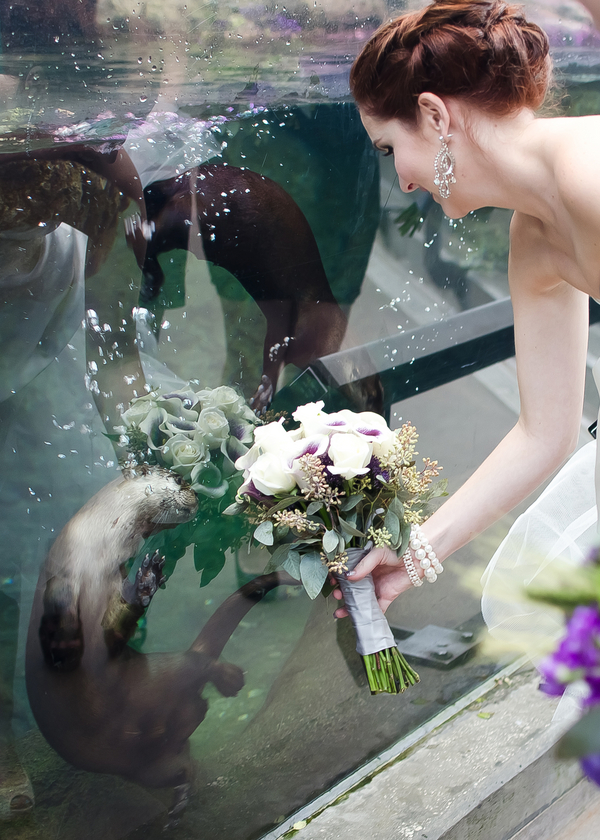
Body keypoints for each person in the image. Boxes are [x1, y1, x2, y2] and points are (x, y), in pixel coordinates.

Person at [332, 0, 600, 645]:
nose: (401, 179)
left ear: (433, 114)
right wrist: (418, 552)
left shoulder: (589, 173)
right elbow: (544, 432)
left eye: (390, 148)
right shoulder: (534, 237)